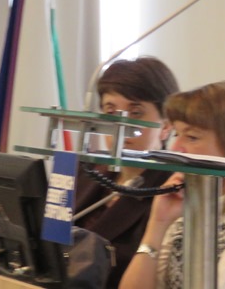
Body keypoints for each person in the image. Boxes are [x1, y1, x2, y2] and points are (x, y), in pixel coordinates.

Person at [120, 81, 225, 289]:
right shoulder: (188, 208)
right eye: (176, 134)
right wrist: (158, 224)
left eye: (191, 137)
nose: (176, 148)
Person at [73, 56, 179, 288]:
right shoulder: (86, 169)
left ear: (166, 125)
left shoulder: (171, 192)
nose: (121, 124)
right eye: (111, 111)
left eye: (136, 112)